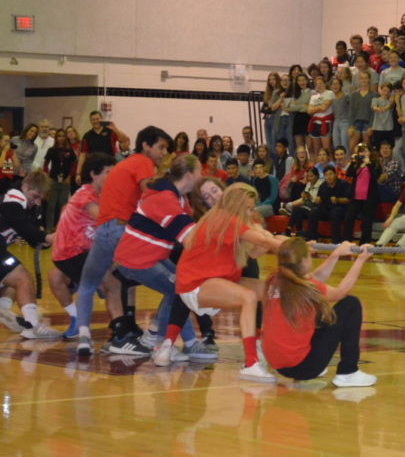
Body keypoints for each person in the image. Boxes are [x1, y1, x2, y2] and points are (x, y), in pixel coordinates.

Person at [173, 183, 289, 382]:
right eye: (249, 208)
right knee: (248, 297)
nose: (252, 212)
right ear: (237, 205)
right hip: (196, 284)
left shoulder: (230, 220)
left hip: (215, 280)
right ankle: (251, 363)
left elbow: (255, 251)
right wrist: (293, 245)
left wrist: (287, 241)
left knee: (270, 291)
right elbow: (266, 243)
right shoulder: (225, 219)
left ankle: (276, 349)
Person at [75, 126, 172, 356]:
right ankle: (157, 336)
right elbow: (150, 193)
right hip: (120, 231)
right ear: (146, 146)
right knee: (177, 283)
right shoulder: (142, 162)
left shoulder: (126, 163)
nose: (163, 152)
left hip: (104, 232)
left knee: (89, 284)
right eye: (161, 147)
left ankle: (84, 338)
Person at [113, 154, 216, 363]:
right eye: (199, 172)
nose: (201, 176)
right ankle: (157, 339)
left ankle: (176, 341)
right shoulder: (164, 198)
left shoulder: (176, 196)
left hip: (149, 256)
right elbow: (190, 238)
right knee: (180, 289)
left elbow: (195, 226)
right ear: (188, 175)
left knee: (181, 287)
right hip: (136, 259)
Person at [262, 238, 377, 386]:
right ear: (303, 261)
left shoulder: (274, 279)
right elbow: (341, 292)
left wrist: (336, 255)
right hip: (304, 368)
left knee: (317, 311)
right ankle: (348, 372)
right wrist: (361, 260)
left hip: (279, 366)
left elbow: (315, 278)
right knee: (350, 304)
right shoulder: (306, 288)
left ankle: (322, 364)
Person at [49, 153, 117, 339]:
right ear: (94, 174)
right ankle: (120, 331)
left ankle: (80, 318)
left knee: (55, 277)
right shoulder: (86, 194)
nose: (112, 177)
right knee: (112, 285)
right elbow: (105, 221)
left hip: (76, 253)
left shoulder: (96, 193)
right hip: (74, 253)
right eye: (108, 172)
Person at [0, 171, 61, 338]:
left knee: (11, 283)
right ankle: (32, 326)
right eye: (34, 196)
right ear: (25, 187)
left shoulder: (30, 206)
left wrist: (45, 239)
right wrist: (46, 236)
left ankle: (3, 311)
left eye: (40, 198)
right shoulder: (14, 197)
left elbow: (33, 238)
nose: (36, 202)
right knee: (23, 279)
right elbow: (21, 225)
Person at [342, 143, 380, 244]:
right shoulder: (356, 163)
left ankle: (364, 243)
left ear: (369, 152)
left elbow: (376, 177)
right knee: (349, 217)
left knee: (367, 221)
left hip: (369, 197)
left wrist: (369, 164)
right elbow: (348, 174)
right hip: (355, 197)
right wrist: (353, 161)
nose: (363, 153)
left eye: (365, 151)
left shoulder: (375, 163)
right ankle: (346, 241)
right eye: (361, 151)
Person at [305, 166, 350, 243]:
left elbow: (349, 200)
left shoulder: (343, 184)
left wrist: (338, 200)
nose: (328, 177)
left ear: (335, 174)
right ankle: (312, 240)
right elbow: (319, 200)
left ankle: (336, 242)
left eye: (330, 174)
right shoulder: (323, 186)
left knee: (335, 212)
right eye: (326, 175)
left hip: (341, 209)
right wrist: (318, 200)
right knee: (313, 211)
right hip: (326, 210)